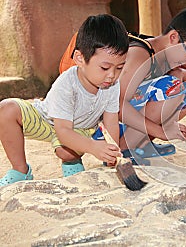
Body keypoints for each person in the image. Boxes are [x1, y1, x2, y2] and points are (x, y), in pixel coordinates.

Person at [0, 14, 129, 186]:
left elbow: (111, 121)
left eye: (119, 67)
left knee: (66, 153)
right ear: (80, 58)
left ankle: (72, 162)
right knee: (6, 109)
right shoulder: (67, 84)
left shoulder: (112, 85)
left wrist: (111, 153)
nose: (112, 75)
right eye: (105, 67)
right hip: (49, 121)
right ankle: (20, 170)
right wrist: (93, 147)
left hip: (81, 128)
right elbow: (62, 131)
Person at [118, 8, 186, 160]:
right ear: (174, 37)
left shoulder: (169, 54)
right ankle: (126, 147)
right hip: (113, 115)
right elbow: (117, 105)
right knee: (171, 87)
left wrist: (179, 73)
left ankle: (142, 144)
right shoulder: (141, 54)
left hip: (134, 114)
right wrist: (161, 131)